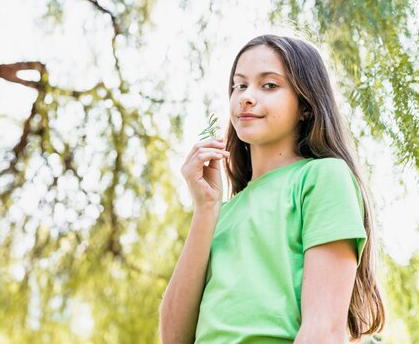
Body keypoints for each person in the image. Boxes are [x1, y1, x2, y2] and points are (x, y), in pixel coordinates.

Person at [159, 34, 385, 343]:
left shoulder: (323, 177)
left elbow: (323, 329)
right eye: (239, 85)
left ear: (305, 105)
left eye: (269, 85)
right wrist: (206, 209)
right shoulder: (223, 212)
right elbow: (174, 337)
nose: (246, 97)